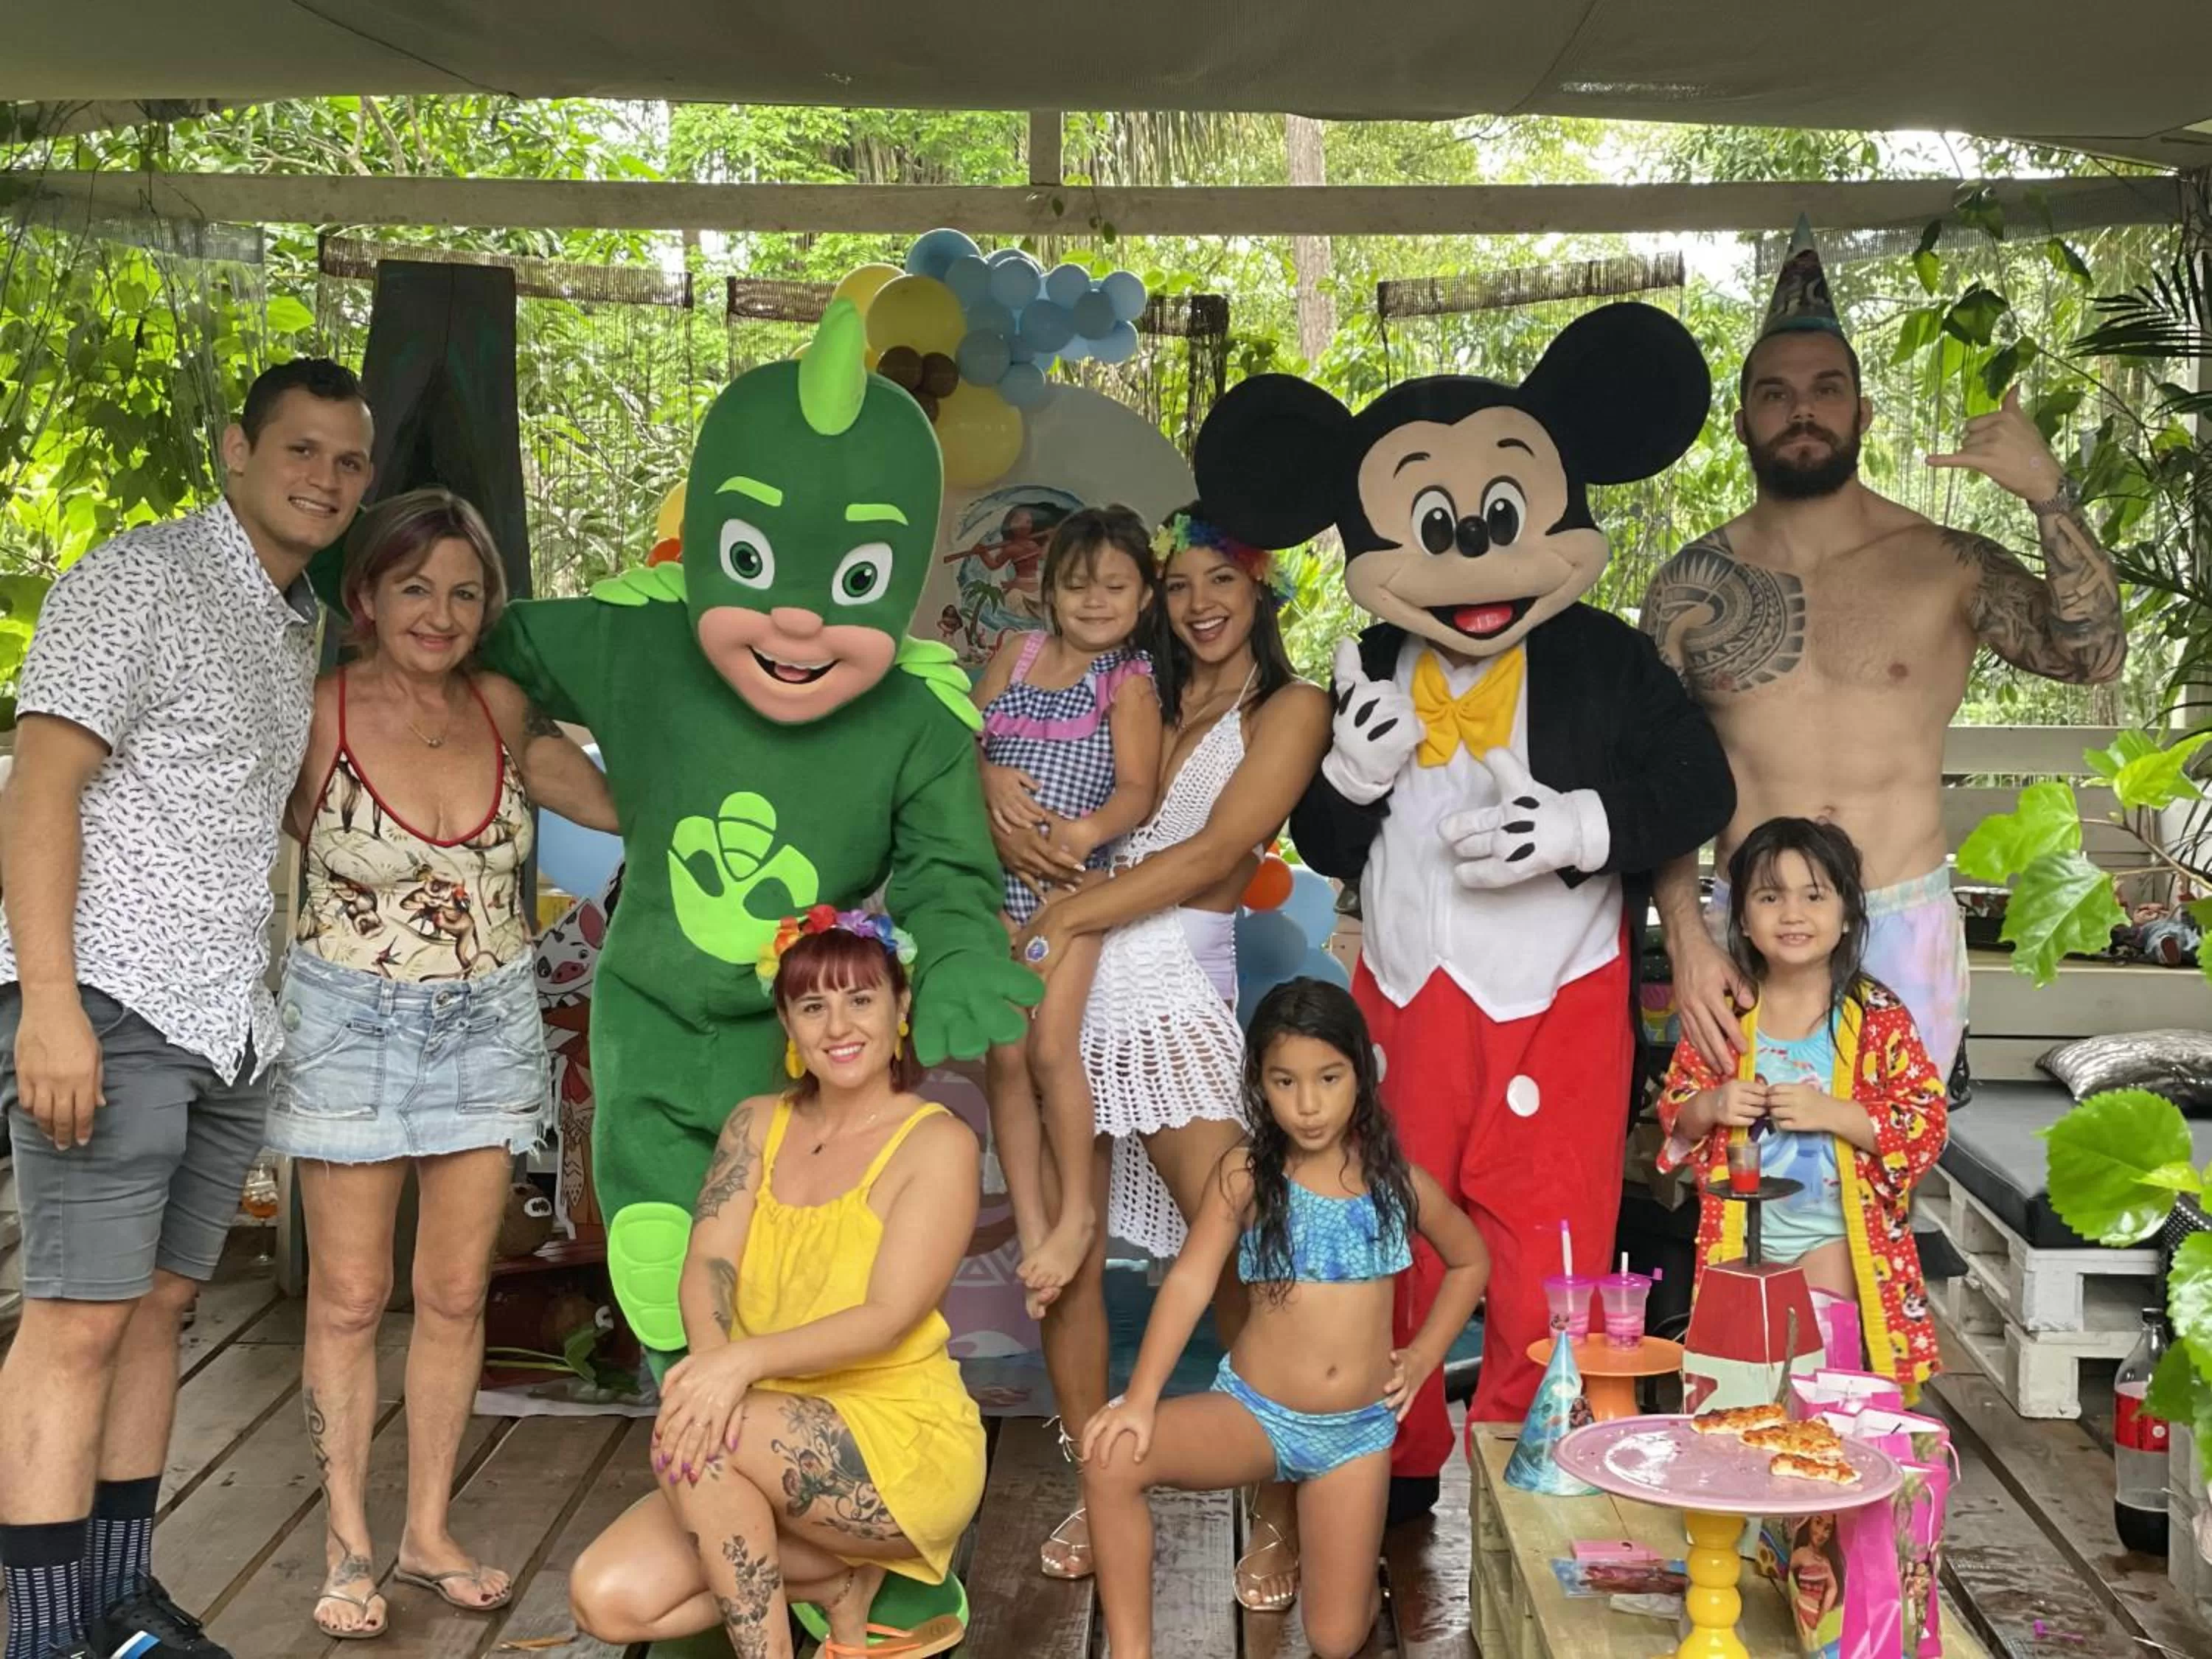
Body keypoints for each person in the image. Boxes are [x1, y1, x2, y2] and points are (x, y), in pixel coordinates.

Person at [1194, 303, 1730, 1517]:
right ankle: (1395, 1464)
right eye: (1436, 532)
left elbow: (1700, 782)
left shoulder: (1605, 659)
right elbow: (1325, 848)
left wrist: (1584, 826)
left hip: (1560, 999)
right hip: (1406, 1003)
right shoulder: (1368, 664)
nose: (1476, 560)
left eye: (1501, 521)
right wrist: (1350, 779)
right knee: (1398, 1241)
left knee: (1550, 1255)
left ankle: (1527, 1471)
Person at [0, 358, 375, 1659]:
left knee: (163, 1309)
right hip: (108, 995)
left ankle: (118, 1605)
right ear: (238, 450)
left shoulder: (296, 620)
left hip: (228, 1012)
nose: (325, 479)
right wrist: (47, 1004)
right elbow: (41, 785)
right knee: (76, 1320)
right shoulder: (137, 580)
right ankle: (45, 1636)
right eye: (302, 450)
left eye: (347, 461)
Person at [1641, 218, 2126, 1083]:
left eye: (1827, 390)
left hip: (1899, 926)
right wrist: (1684, 932)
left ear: (1862, 413)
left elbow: (2091, 657)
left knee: (1882, 1195)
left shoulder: (1945, 565)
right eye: (1776, 393)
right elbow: (1654, 778)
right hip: (1747, 926)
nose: (1802, 411)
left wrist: (2050, 495)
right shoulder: (1692, 587)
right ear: (1744, 418)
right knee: (1746, 1193)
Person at [269, 487, 620, 1641]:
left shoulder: (504, 705)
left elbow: (629, 804)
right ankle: (347, 1543)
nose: (442, 611)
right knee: (353, 1293)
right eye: (415, 586)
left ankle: (425, 1530)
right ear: (364, 595)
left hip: (489, 1014)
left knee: (458, 1290)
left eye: (466, 591)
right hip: (349, 1021)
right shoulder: (313, 712)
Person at [1009, 505, 1331, 1607]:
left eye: (1221, 585)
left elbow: (1214, 852)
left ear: (1261, 596)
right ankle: (1100, 1484)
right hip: (1074, 959)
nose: (1198, 604)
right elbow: (1020, 751)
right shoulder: (1129, 683)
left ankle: (1278, 1504)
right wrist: (1009, 815)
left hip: (1167, 980)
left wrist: (1072, 912)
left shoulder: (1292, 707)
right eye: (1180, 583)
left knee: (1240, 1244)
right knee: (1071, 1261)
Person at [566, 911, 984, 1659]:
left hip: (896, 1436)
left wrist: (733, 1372)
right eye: (812, 1006)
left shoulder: (938, 1142)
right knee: (608, 1598)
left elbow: (888, 1316)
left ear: (901, 1008)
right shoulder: (755, 1124)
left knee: (701, 1431)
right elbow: (709, 1264)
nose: (839, 1025)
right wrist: (712, 1362)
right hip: (755, 1422)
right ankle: (833, 1584)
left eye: (861, 999)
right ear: (788, 1024)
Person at [1079, 978, 1488, 1659]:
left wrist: (1421, 1358)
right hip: (1255, 1414)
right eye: (1284, 1081)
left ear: (1361, 1072)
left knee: (1333, 1640)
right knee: (1110, 1457)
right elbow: (1187, 1282)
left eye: (1328, 1078)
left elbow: (1470, 1262)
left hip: (1355, 1435)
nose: (1308, 1105)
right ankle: (1131, 1651)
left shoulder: (1395, 1184)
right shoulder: (1245, 1174)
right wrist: (1141, 1399)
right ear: (1259, 1085)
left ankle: (1346, 1579)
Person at [1655, 818, 1949, 1396]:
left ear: (1846, 916)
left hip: (1831, 1236)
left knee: (1819, 1378)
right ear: (1742, 917)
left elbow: (1925, 1123)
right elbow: (1676, 1115)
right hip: (1738, 1238)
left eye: (1814, 896)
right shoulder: (1725, 1013)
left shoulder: (1877, 1019)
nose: (1792, 914)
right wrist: (1713, 1104)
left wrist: (1831, 1112)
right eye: (1770, 897)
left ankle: (1818, 1467)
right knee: (1739, 1381)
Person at [971, 504, 1164, 1313]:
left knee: (1052, 1049)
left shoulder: (1129, 682)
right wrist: (984, 783)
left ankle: (1080, 1216)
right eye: (1079, 585)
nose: (1095, 601)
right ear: (1048, 590)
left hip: (1071, 891)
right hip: (994, 888)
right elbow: (962, 741)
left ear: (1143, 597)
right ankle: (1037, 1218)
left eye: (1115, 587)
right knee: (1004, 1057)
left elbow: (1136, 791)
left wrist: (1080, 835)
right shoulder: (1014, 655)